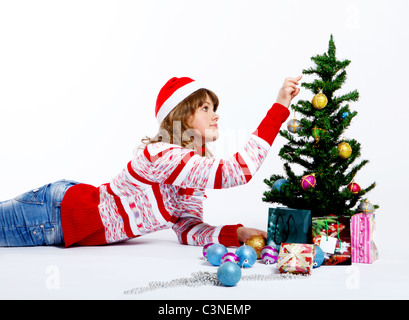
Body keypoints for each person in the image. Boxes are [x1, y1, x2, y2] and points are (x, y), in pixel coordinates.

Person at [0, 76, 301, 247]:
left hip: (64, 223)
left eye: (215, 108)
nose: (216, 114)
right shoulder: (161, 155)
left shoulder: (188, 176)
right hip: (55, 213)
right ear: (183, 115)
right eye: (206, 108)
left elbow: (187, 229)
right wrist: (279, 108)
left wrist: (236, 233)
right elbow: (238, 171)